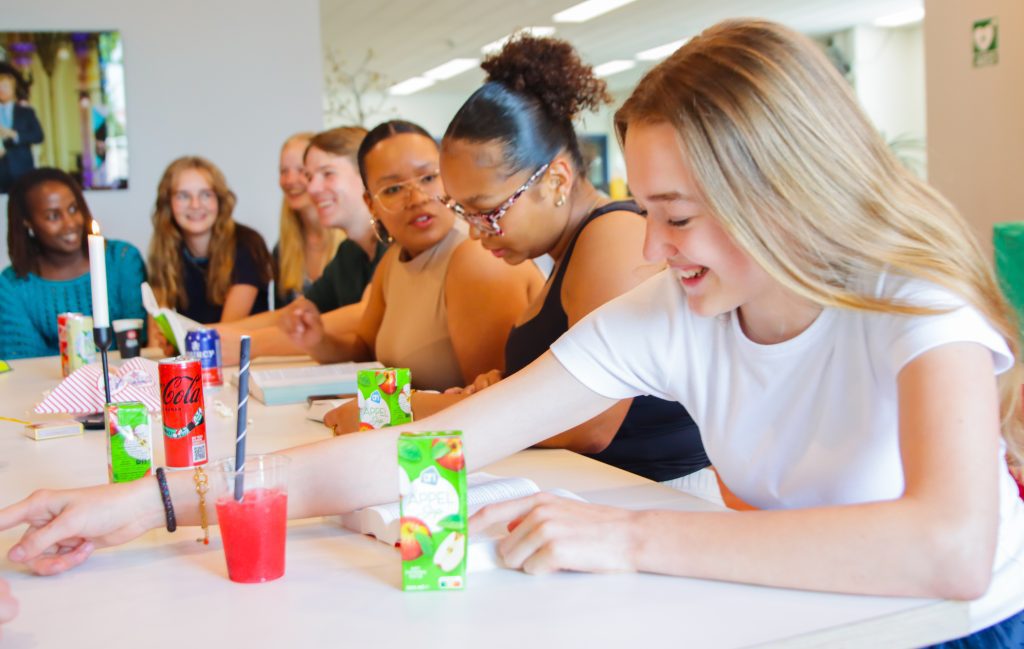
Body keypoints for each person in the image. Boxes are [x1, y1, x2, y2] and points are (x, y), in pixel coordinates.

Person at [2, 19, 1022, 645]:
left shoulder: (913, 301)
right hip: (792, 613)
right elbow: (426, 448)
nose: (655, 250)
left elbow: (945, 550)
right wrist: (150, 501)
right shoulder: (682, 308)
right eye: (650, 213)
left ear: (781, 192)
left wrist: (629, 534)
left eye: (675, 215)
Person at [328, 36, 711, 491]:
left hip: (658, 501)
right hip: (588, 495)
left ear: (554, 179)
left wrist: (400, 408)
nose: (474, 231)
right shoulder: (565, 252)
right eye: (463, 212)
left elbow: (588, 424)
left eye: (487, 210)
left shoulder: (613, 236)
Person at [285, 119, 543, 391]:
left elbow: (492, 403)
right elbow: (364, 350)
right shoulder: (394, 260)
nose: (417, 198)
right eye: (393, 189)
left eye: (429, 178)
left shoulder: (477, 256)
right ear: (371, 204)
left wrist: (403, 409)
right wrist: (318, 341)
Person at [214, 126, 385, 364]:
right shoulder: (350, 252)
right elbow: (294, 313)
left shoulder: (394, 243)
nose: (312, 188)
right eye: (310, 177)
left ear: (367, 175)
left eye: (327, 174)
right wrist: (210, 333)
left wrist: (248, 343)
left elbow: (364, 314)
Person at [0, 167, 146, 359]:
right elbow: (25, 361)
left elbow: (138, 342)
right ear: (28, 222)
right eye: (53, 216)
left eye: (73, 209)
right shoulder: (13, 285)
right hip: (48, 387)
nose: (70, 223)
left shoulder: (122, 260)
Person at [148, 156, 272, 325]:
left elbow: (225, 333)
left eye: (206, 194)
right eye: (183, 196)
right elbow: (158, 329)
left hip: (244, 351)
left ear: (219, 200)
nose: (195, 204)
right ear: (168, 204)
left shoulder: (248, 243)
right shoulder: (165, 249)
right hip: (192, 350)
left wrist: (177, 337)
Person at [272, 132, 346, 308]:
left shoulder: (352, 246)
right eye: (284, 171)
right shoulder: (282, 249)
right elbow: (282, 319)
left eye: (302, 171)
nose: (290, 180)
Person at [0, 64, 43, 194]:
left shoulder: (25, 112)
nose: (1, 90)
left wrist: (15, 135)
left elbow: (38, 136)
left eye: (5, 86)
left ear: (13, 88)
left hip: (22, 170)